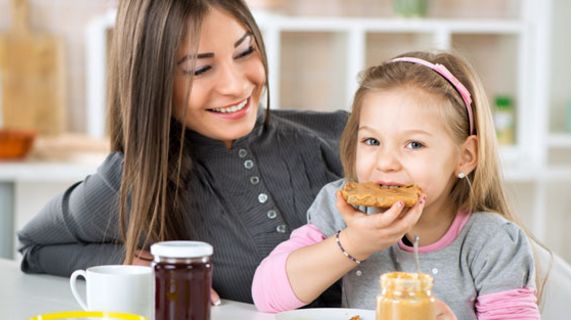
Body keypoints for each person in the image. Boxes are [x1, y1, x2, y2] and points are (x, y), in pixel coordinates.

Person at [17, 0, 346, 306]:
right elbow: (35, 247)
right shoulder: (135, 182)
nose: (235, 85)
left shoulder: (344, 136)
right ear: (153, 81)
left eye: (245, 51)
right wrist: (128, 264)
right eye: (200, 69)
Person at [252, 51, 543, 319]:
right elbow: (266, 295)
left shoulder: (492, 243)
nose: (386, 162)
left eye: (414, 144)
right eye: (372, 141)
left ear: (464, 157)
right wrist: (354, 243)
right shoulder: (343, 207)